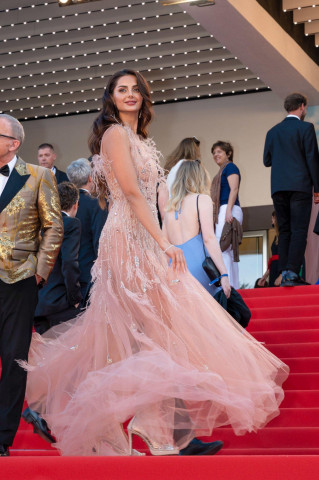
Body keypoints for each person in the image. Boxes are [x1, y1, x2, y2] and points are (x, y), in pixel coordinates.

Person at [21, 69, 288, 458]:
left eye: (135, 90)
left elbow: (138, 192)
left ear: (145, 97)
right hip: (129, 240)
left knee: (138, 335)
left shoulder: (140, 139)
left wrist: (158, 236)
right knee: (139, 331)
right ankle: (68, 406)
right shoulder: (114, 134)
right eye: (121, 90)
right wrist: (164, 241)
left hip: (143, 236)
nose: (130, 95)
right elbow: (129, 191)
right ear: (111, 98)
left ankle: (153, 429)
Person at [0, 114, 63, 457]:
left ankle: (2, 436)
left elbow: (53, 226)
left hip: (19, 278)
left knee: (13, 359)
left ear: (13, 143)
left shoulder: (38, 176)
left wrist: (40, 271)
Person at [263, 92, 319, 287]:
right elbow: (312, 159)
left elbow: (266, 161)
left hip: (278, 188)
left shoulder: (272, 132)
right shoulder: (306, 128)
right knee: (299, 230)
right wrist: (317, 189)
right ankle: (291, 273)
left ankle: (282, 272)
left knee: (284, 230)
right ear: (302, 106)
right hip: (300, 187)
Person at [163, 159, 231, 299]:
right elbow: (209, 238)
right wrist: (224, 273)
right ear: (199, 177)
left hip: (174, 268)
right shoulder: (201, 199)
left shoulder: (168, 208)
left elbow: (163, 246)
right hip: (199, 266)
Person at [33, 182, 82, 334]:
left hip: (37, 303)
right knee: (69, 353)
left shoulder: (39, 223)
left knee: (45, 356)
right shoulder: (71, 223)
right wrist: (75, 298)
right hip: (60, 303)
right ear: (75, 204)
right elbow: (69, 262)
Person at [66, 158, 108, 304]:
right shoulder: (96, 203)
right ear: (91, 178)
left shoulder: (64, 202)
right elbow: (99, 239)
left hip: (66, 271)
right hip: (89, 271)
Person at [210, 141, 243, 289]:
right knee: (227, 250)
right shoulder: (222, 170)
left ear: (228, 154)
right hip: (225, 209)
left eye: (219, 152)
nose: (216, 155)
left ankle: (227, 285)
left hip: (228, 208)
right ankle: (233, 285)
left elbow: (234, 189)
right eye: (214, 152)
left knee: (221, 248)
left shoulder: (230, 167)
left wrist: (228, 210)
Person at [258, 211, 280, 287]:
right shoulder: (276, 237)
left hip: (280, 270)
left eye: (273, 218)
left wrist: (282, 275)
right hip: (274, 269)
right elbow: (273, 260)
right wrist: (265, 276)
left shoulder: (284, 236)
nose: (272, 221)